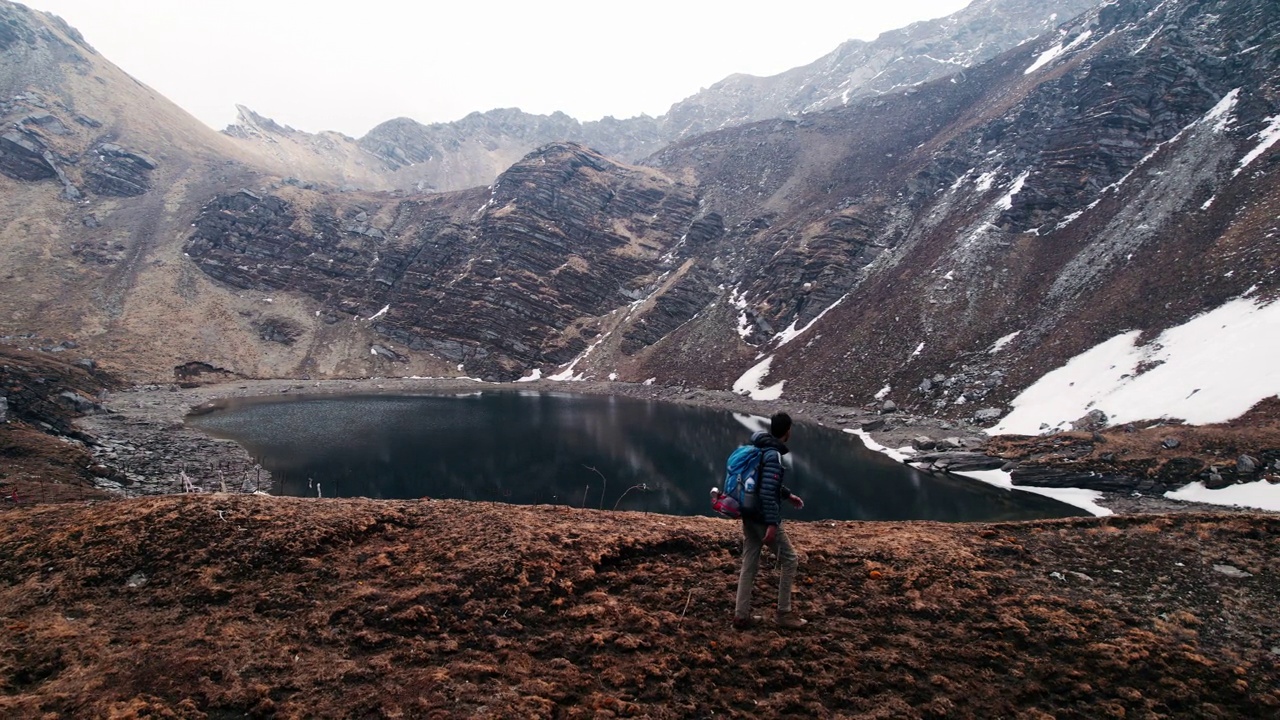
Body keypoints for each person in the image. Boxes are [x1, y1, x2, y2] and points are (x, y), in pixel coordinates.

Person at [734, 411, 806, 630]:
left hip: (748, 510)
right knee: (790, 559)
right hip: (762, 516)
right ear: (787, 431)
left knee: (749, 561)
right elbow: (766, 491)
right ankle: (784, 613)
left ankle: (741, 616)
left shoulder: (760, 447)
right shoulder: (773, 453)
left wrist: (787, 495)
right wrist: (773, 524)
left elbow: (764, 483)